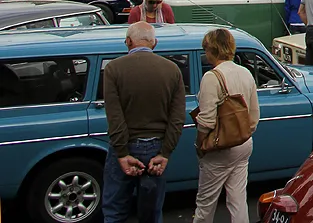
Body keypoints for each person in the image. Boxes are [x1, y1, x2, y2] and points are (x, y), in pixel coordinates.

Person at [101, 22, 186, 223]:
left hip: (125, 145)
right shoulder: (172, 70)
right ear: (154, 43)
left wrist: (122, 153)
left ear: (128, 42)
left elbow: (114, 116)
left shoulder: (113, 69)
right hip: (156, 147)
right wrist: (165, 152)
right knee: (151, 212)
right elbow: (177, 117)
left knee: (115, 209)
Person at [191, 28, 259, 223]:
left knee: (206, 202)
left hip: (219, 147)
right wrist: (244, 133)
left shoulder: (212, 78)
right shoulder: (245, 73)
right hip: (243, 143)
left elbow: (207, 120)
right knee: (238, 199)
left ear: (212, 50)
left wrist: (200, 144)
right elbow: (254, 115)